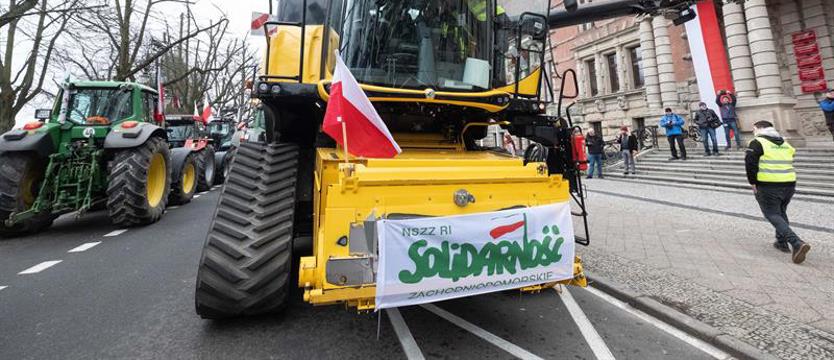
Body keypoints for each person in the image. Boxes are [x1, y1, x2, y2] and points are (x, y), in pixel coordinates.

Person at [745, 121, 811, 264]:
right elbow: (791, 155)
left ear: (759, 129)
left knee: (772, 214)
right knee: (780, 212)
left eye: (754, 129)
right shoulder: (784, 143)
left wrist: (753, 183)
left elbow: (750, 164)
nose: (753, 132)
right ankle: (781, 242)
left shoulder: (757, 142)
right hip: (789, 183)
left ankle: (796, 243)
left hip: (768, 184)